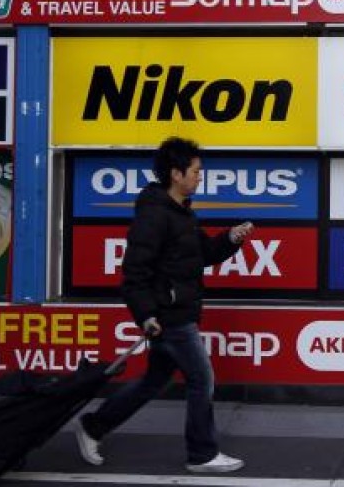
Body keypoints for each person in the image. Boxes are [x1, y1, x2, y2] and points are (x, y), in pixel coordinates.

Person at [76, 136, 254, 473]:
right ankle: (202, 454)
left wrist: (232, 238)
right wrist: (146, 314)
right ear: (176, 173)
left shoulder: (181, 214)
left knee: (153, 380)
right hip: (169, 316)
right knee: (203, 379)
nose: (201, 176)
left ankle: (93, 426)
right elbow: (134, 271)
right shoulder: (156, 216)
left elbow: (204, 254)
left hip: (176, 311)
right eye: (196, 171)